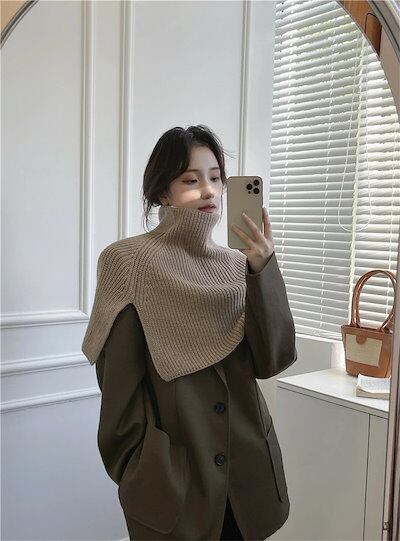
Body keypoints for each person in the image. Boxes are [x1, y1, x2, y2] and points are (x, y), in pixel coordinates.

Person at [82, 125, 297, 540]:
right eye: (190, 180)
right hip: (176, 486)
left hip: (248, 478)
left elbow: (273, 359)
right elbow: (118, 390)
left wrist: (263, 268)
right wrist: (141, 467)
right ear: (163, 192)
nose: (209, 190)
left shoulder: (239, 266)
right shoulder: (128, 263)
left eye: (215, 177)